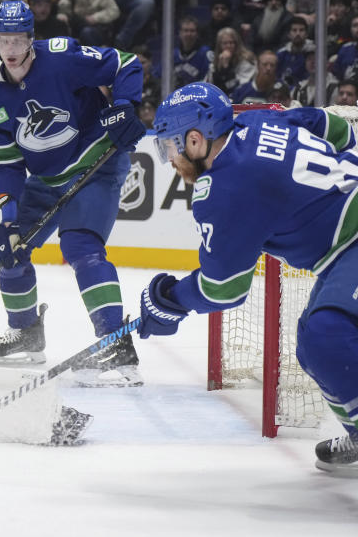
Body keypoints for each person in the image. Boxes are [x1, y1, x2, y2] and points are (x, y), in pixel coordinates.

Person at [140, 81, 358, 476]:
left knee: (328, 335)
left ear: (195, 140)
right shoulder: (254, 121)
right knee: (312, 345)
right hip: (343, 252)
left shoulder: (223, 188)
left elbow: (224, 289)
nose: (169, 158)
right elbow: (334, 128)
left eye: (170, 146)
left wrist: (171, 299)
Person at [0, 0, 146, 386]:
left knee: (81, 247)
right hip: (47, 178)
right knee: (8, 246)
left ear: (32, 39)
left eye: (19, 40)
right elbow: (7, 163)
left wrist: (125, 107)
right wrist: (11, 218)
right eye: (3, 41)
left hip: (96, 162)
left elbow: (126, 62)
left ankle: (116, 343)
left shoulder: (63, 57)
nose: (12, 50)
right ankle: (26, 332)